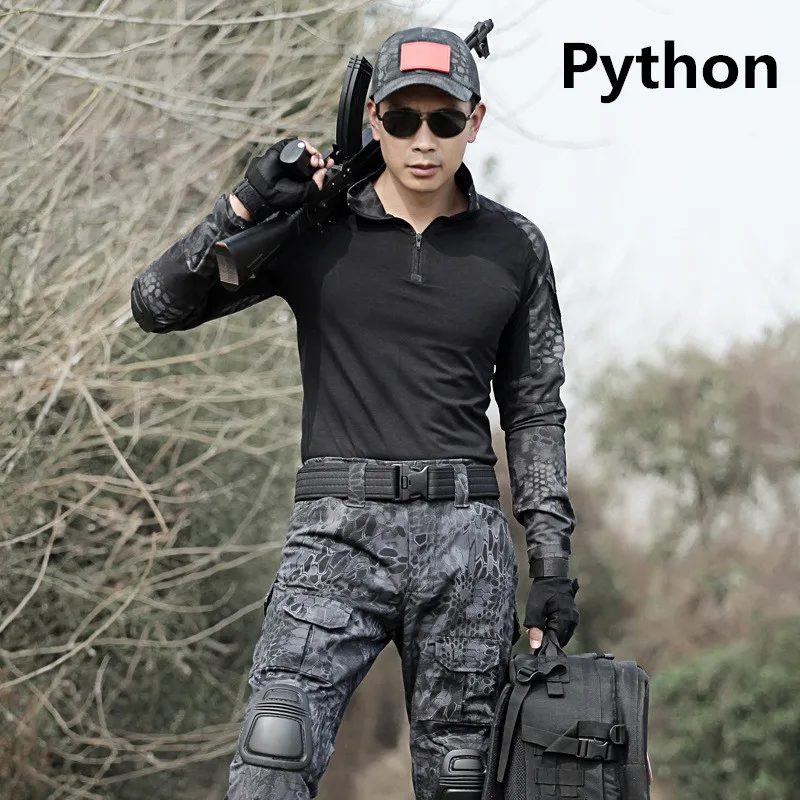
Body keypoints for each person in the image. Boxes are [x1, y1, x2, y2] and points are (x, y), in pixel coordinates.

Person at [131, 25, 579, 800]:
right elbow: (157, 304)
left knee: (465, 779)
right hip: (335, 537)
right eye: (402, 118)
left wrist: (552, 566)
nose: (423, 139)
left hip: (467, 548)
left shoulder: (515, 246)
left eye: (444, 119)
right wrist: (245, 202)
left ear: (474, 121)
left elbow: (535, 410)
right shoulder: (315, 228)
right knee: (272, 759)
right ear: (373, 118)